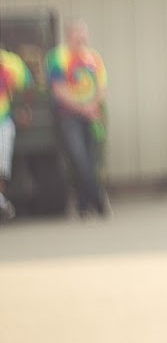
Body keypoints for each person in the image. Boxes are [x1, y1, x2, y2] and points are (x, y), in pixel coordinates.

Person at [47, 20, 109, 218]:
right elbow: (58, 90)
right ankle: (97, 199)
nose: (83, 37)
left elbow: (101, 86)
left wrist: (92, 106)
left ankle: (83, 204)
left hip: (92, 115)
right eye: (78, 33)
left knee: (91, 160)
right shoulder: (57, 57)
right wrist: (81, 108)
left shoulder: (93, 57)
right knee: (78, 157)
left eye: (84, 33)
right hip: (68, 116)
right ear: (69, 35)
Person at [0, 46, 30, 221]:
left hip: (2, 121)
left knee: (1, 168)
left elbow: (27, 84)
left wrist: (24, 109)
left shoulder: (9, 63)